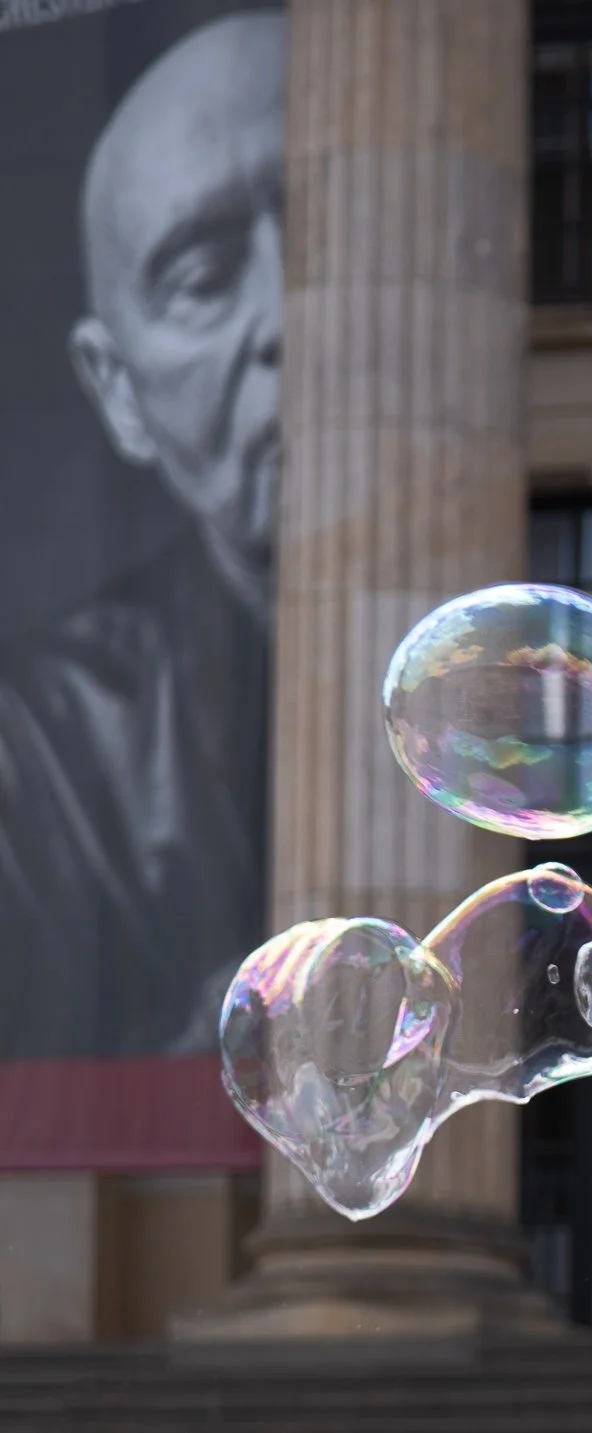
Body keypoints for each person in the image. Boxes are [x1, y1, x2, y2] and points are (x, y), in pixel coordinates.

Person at [0, 8, 284, 1064]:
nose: (287, 314)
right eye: (205, 277)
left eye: (330, 228)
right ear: (116, 390)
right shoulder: (33, 754)